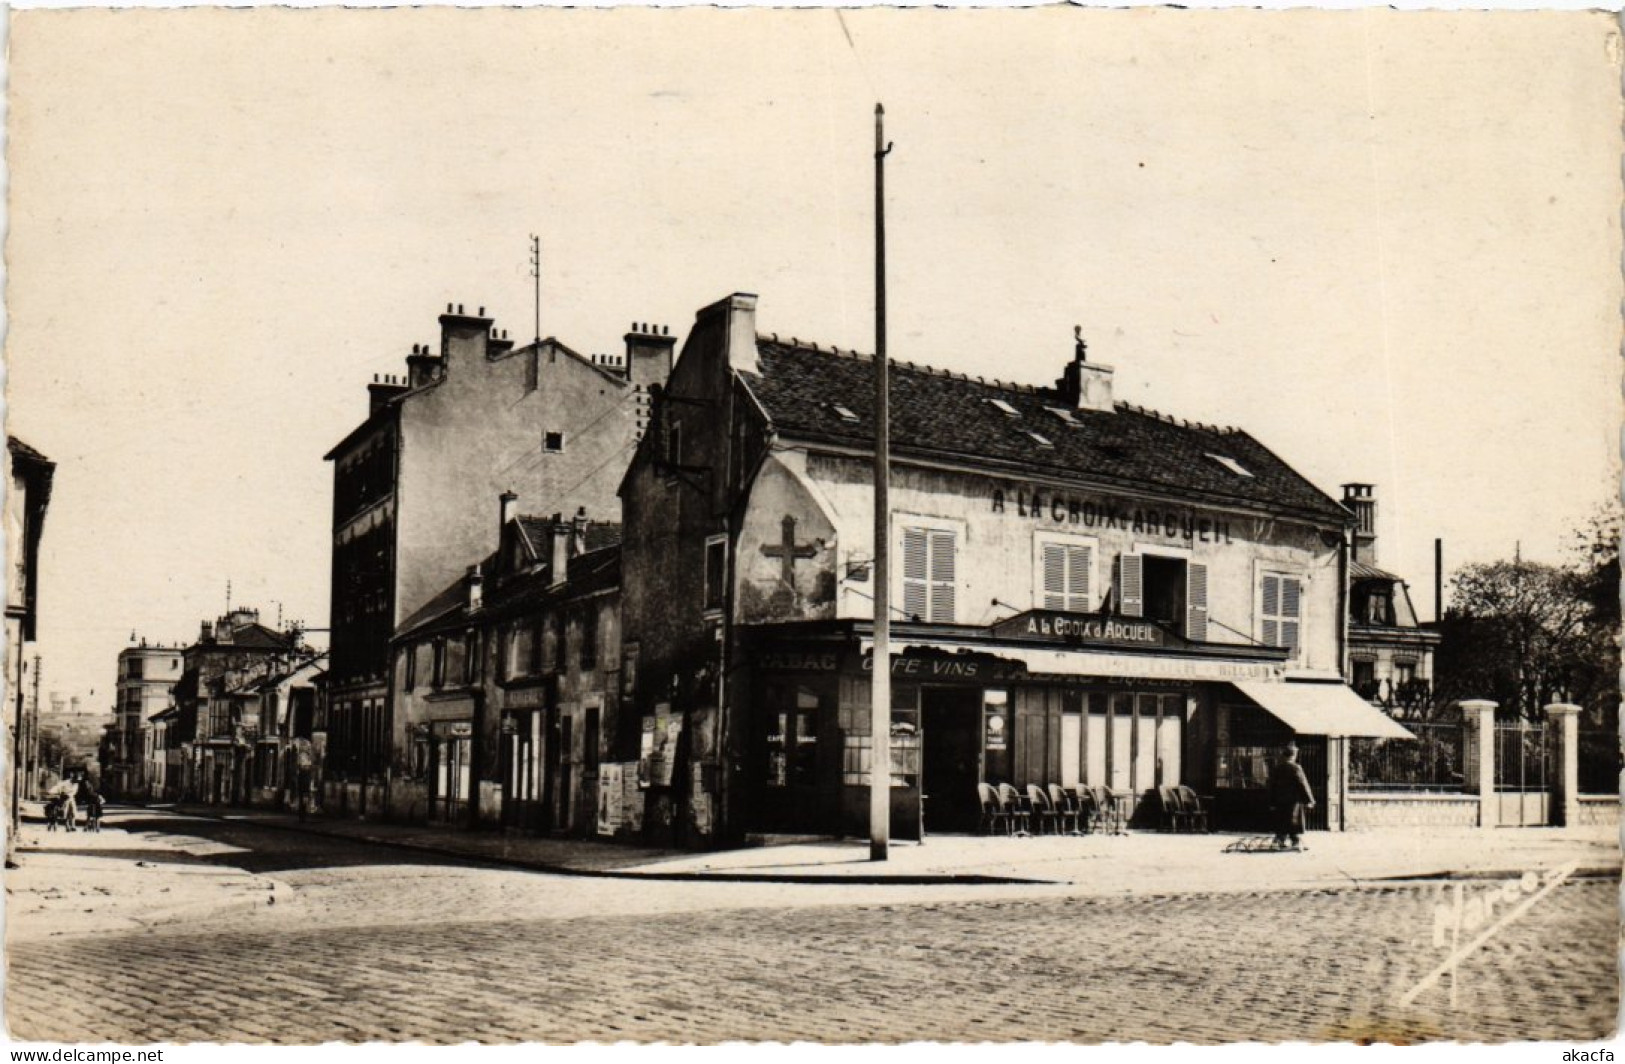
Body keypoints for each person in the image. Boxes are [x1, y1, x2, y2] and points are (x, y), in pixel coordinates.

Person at [1266, 742, 1315, 851]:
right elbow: (1302, 784)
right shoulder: (1296, 768)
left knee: (1281, 820)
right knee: (1293, 821)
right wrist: (1309, 800)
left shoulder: (1277, 768)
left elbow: (1271, 785)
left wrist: (1271, 801)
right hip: (1293, 800)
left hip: (1279, 800)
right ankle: (1295, 842)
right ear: (1294, 755)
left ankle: (1279, 841)